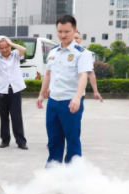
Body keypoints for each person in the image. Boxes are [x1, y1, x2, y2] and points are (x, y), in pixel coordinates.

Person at [36, 15, 93, 165]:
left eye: (66, 31)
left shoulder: (82, 53)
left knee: (72, 139)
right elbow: (48, 74)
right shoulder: (53, 52)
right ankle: (53, 171)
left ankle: (72, 173)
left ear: (74, 30)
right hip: (53, 102)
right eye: (59, 31)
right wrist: (42, 95)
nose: (62, 35)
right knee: (54, 139)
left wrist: (77, 98)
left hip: (70, 102)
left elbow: (83, 76)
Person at [0, 36, 28, 150]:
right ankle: (5, 140)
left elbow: (23, 50)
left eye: (6, 47)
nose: (4, 50)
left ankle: (21, 141)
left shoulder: (15, 55)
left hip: (15, 90)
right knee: (3, 117)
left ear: (9, 46)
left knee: (16, 117)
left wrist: (11, 43)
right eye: (1, 48)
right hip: (2, 91)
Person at [74, 31, 103, 102]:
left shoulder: (85, 53)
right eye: (72, 38)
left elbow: (91, 73)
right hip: (60, 94)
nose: (75, 40)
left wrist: (95, 91)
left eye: (76, 38)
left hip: (77, 92)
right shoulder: (61, 52)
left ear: (80, 39)